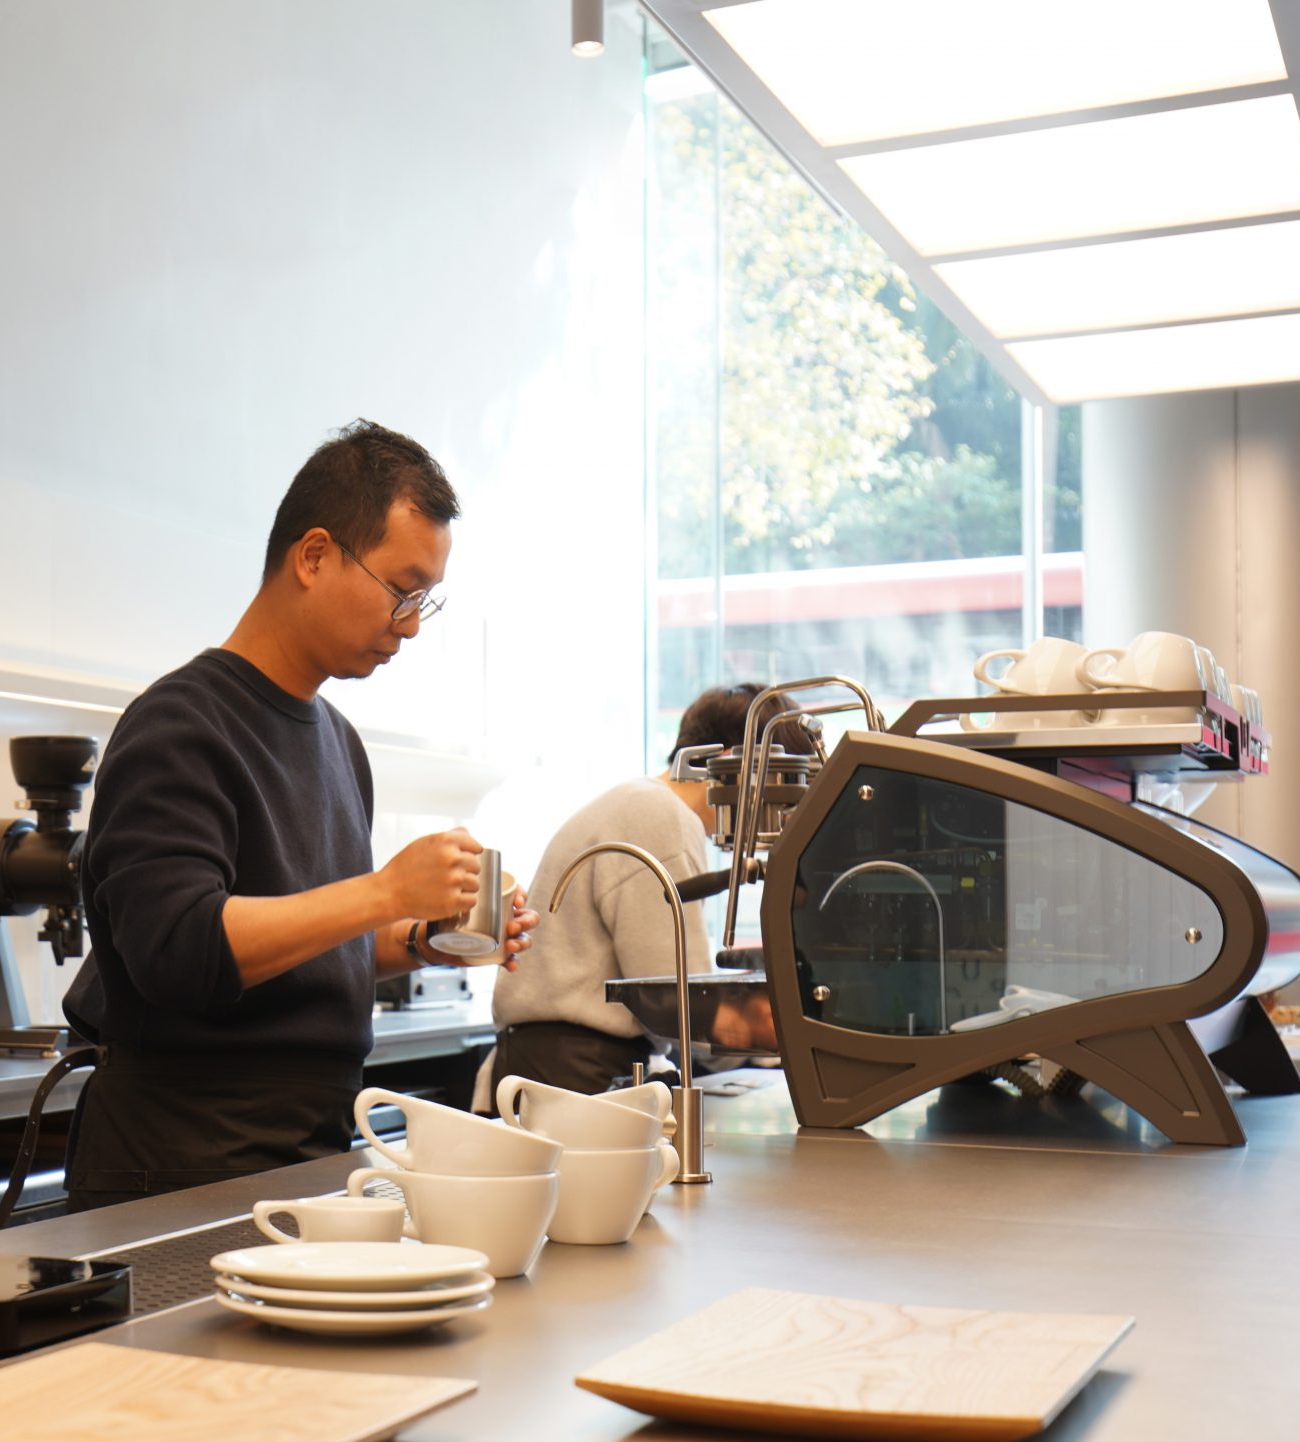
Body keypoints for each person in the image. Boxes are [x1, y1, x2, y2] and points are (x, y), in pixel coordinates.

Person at [60, 421, 536, 1210]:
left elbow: (307, 947)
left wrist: (423, 937)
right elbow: (179, 950)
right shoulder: (179, 726)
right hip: (180, 1169)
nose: (411, 624)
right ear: (313, 556)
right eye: (402, 590)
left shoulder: (339, 743)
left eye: (425, 599)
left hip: (306, 1156)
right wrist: (386, 891)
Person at [486, 685, 816, 1096]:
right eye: (782, 788)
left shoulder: (643, 801)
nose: (784, 815)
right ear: (738, 763)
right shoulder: (658, 816)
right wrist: (791, 1033)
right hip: (571, 1077)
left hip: (558, 1068)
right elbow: (687, 1011)